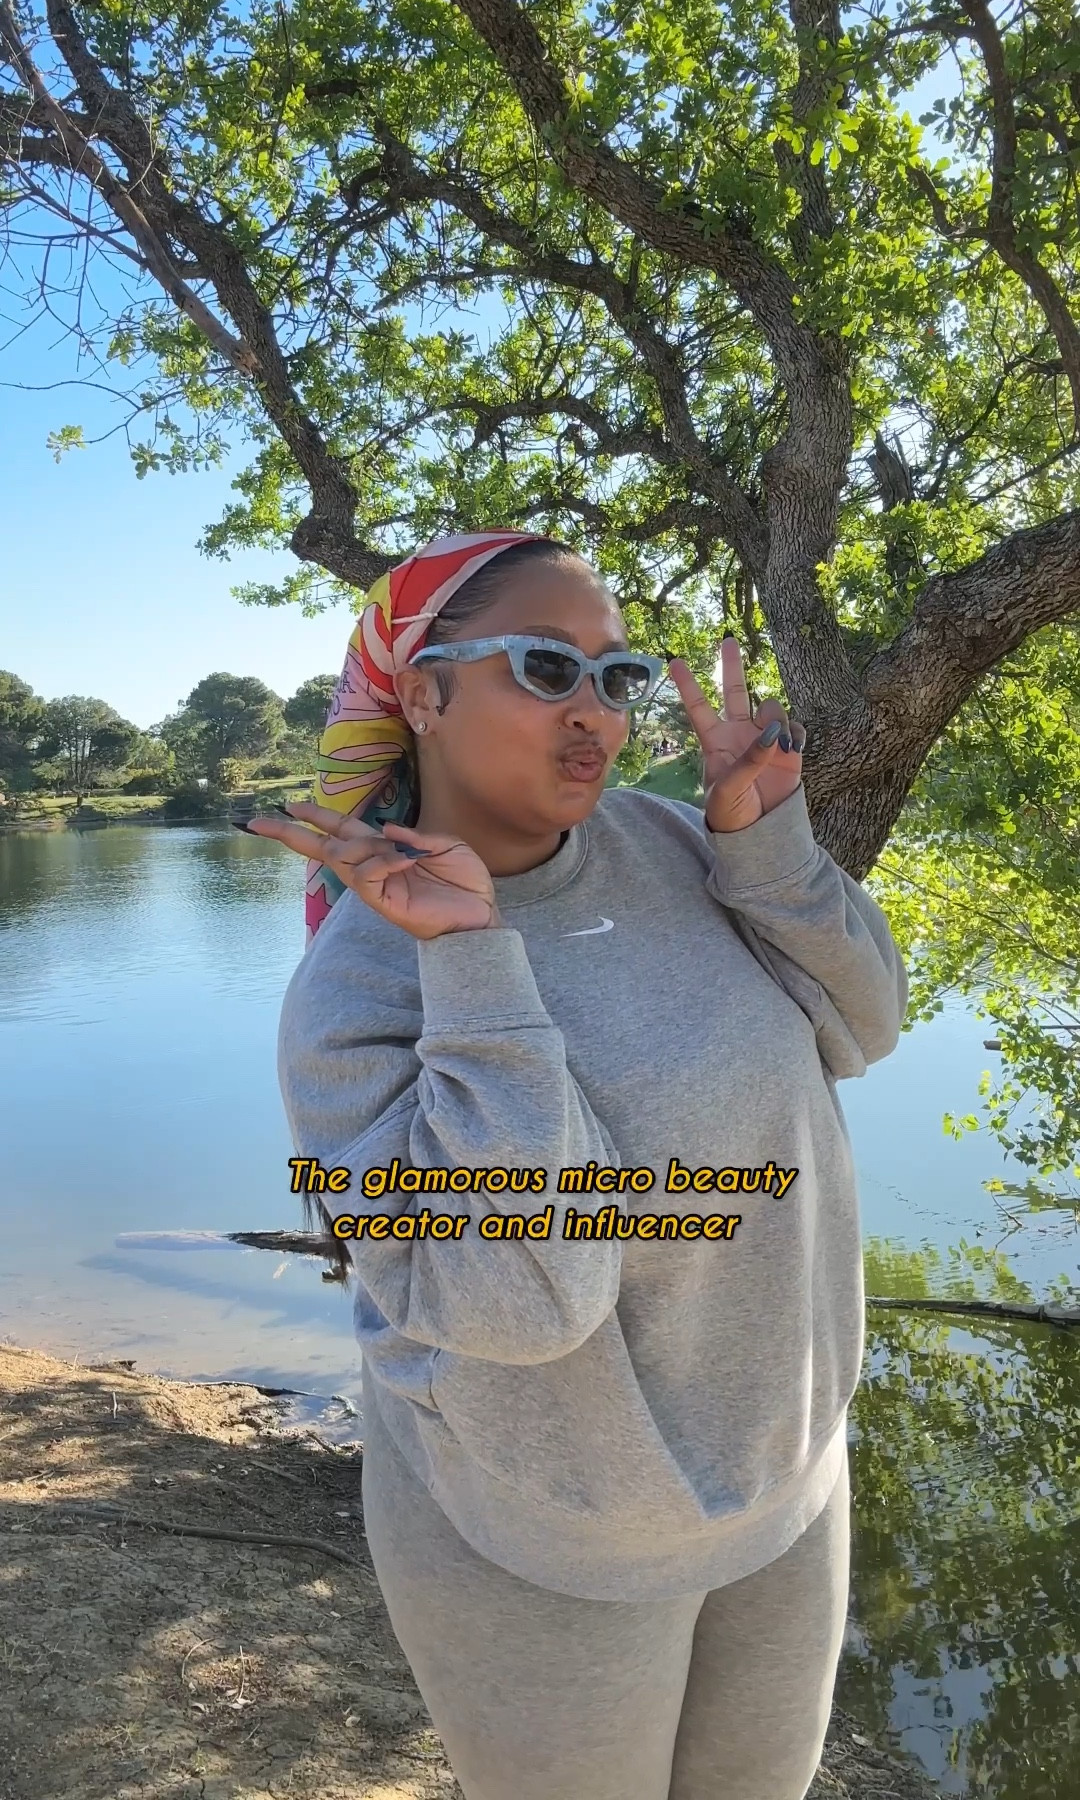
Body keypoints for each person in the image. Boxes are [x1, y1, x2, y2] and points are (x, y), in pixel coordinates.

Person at [244, 529, 908, 1800]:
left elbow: (864, 1025)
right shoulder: (355, 992)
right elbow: (524, 1304)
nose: (595, 712)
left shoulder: (678, 847)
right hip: (545, 1531)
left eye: (617, 677)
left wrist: (770, 846)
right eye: (546, 668)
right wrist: (475, 961)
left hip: (786, 1486)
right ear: (425, 692)